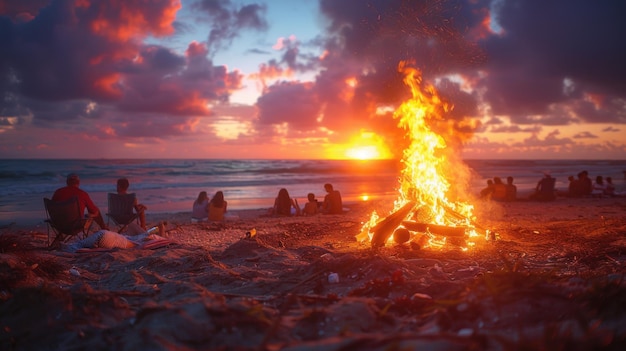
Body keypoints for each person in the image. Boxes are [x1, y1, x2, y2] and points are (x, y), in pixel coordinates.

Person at [62, 221, 168, 253]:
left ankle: (68, 247)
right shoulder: (140, 240)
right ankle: (69, 248)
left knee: (77, 245)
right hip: (109, 238)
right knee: (79, 246)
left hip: (107, 236)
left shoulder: (142, 240)